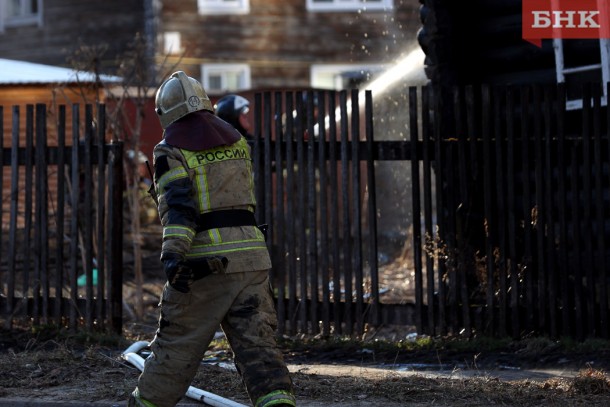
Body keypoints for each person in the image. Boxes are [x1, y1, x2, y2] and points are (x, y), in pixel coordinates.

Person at [128, 71, 296, 407]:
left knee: (175, 345)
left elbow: (179, 211)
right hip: (252, 258)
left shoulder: (170, 149)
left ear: (166, 113)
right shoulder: (237, 142)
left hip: (205, 265)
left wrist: (173, 258)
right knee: (259, 347)